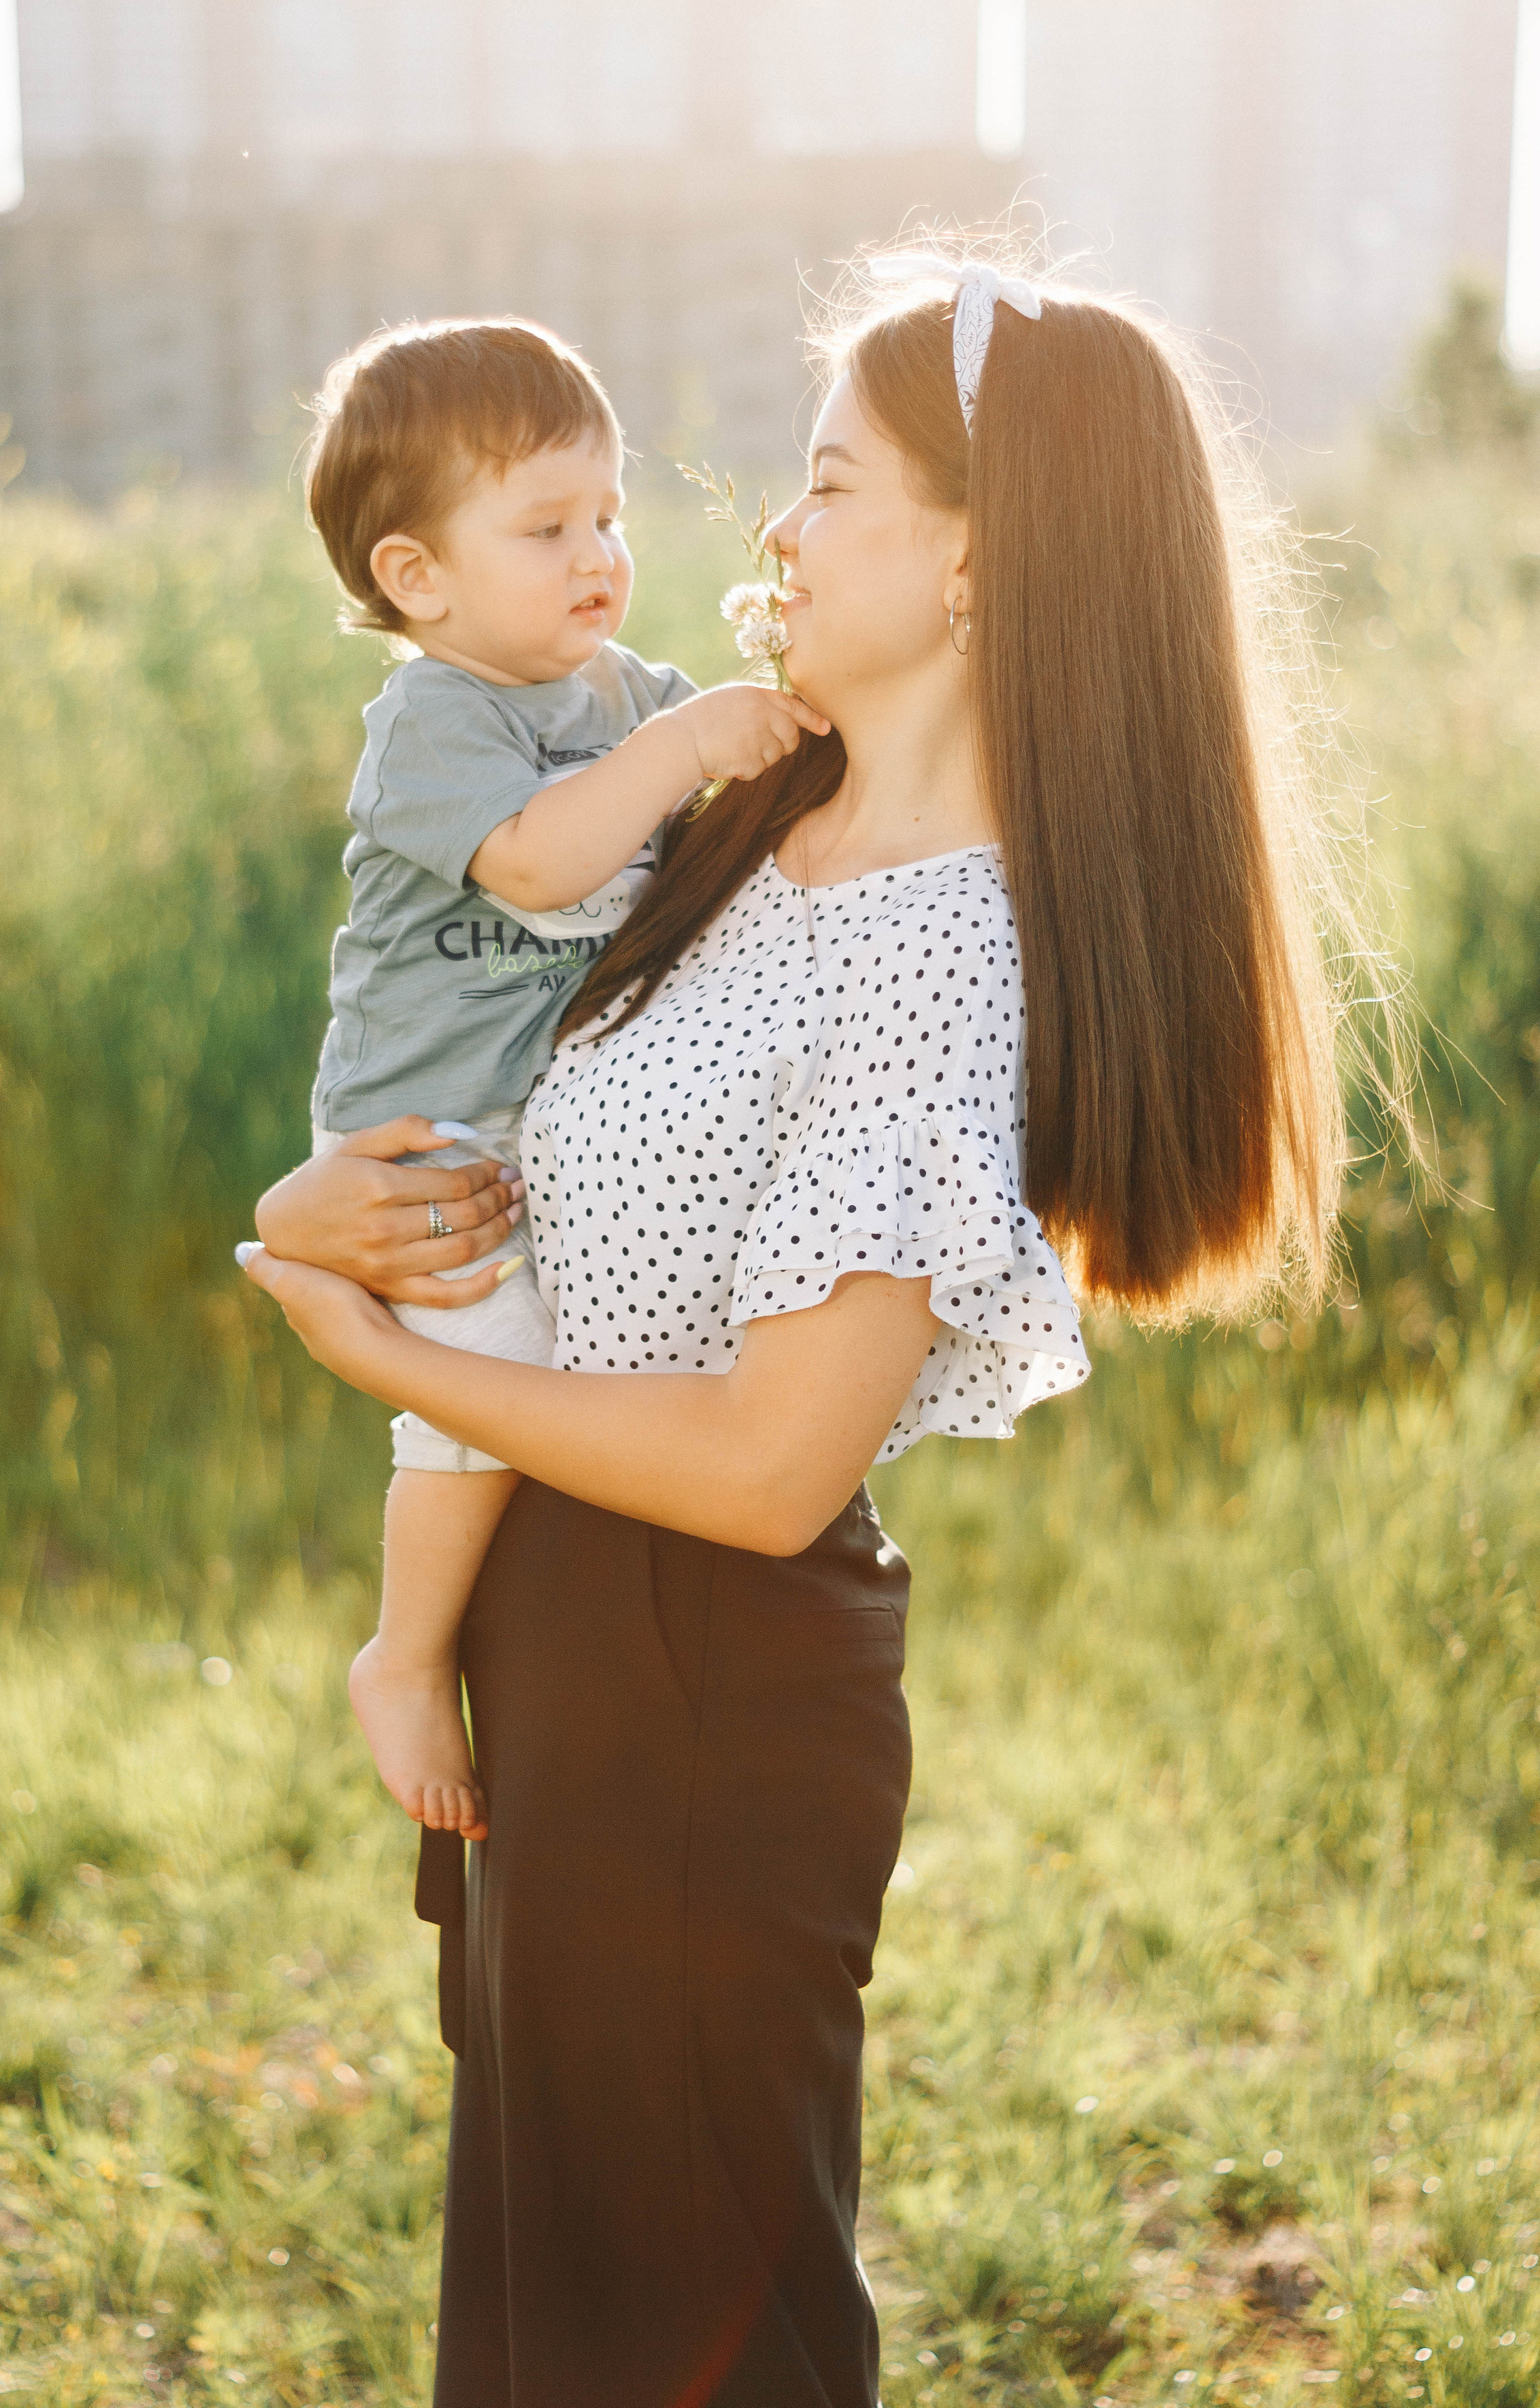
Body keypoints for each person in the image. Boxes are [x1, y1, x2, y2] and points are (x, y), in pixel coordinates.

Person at [242, 251, 1362, 2408]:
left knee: (693, 2344)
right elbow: (481, 1103)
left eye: (830, 478)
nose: (769, 525)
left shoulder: (955, 952)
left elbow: (769, 1469)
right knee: (552, 2319)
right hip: (565, 1637)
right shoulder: (759, 820)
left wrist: (393, 1369)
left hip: (701, 1688)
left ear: (975, 555)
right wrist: (315, 1213)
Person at [293, 316, 828, 1846]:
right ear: (418, 579)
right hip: (429, 1136)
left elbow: (734, 768)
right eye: (544, 528)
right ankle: (402, 1656)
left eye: (604, 513)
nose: (597, 551)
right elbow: (538, 862)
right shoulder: (434, 720)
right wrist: (685, 745)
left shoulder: (617, 690)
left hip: (544, 1123)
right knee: (490, 1382)